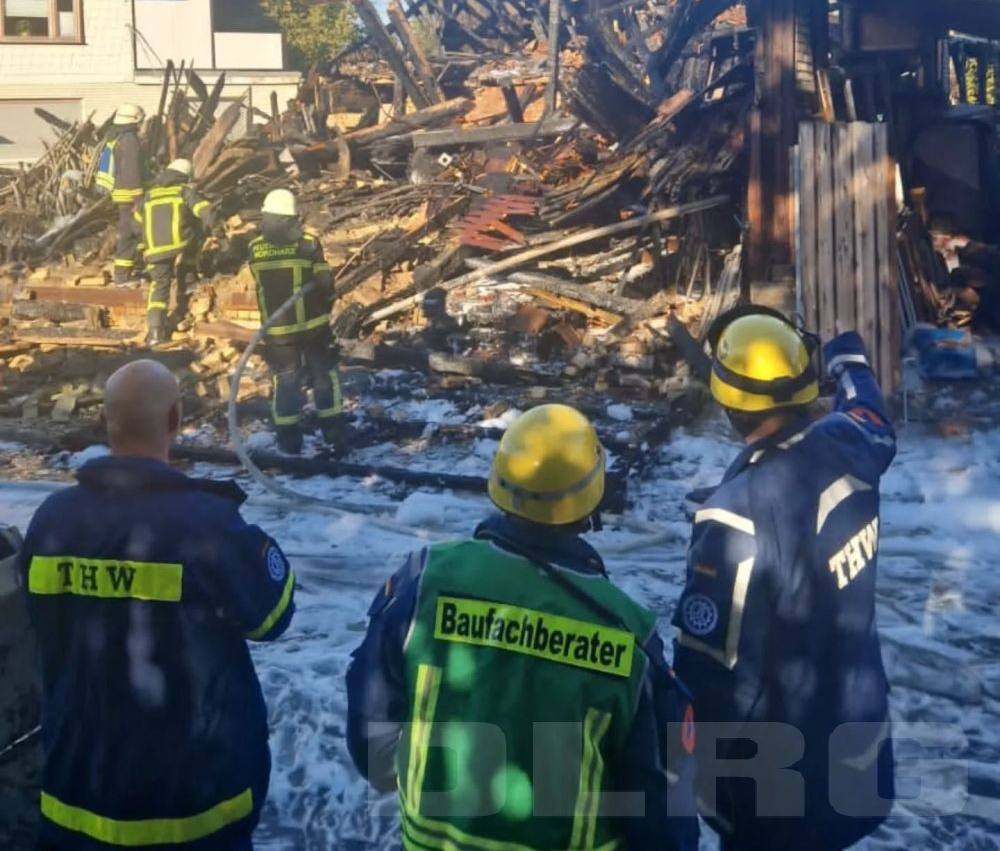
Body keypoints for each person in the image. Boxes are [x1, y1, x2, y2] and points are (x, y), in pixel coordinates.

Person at [346, 403, 700, 851]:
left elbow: (371, 738)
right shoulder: (628, 633)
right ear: (592, 495)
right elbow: (661, 809)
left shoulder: (424, 580)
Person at [22, 359, 295, 851]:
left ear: (103, 421)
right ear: (175, 418)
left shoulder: (50, 520)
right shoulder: (208, 525)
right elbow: (273, 619)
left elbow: (39, 621)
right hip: (194, 809)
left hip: (75, 798)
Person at [672, 309, 896, 851]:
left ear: (729, 405)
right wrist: (848, 357)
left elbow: (715, 674)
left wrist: (694, 777)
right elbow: (872, 415)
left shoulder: (735, 514)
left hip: (778, 782)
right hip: (858, 740)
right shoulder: (851, 442)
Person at [247, 188, 339, 454]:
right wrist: (327, 303)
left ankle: (289, 442)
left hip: (276, 332)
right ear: (291, 218)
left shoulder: (255, 247)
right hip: (313, 327)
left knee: (286, 381)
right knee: (324, 375)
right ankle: (333, 432)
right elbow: (325, 282)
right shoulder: (308, 244)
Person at [135, 158, 215, 345]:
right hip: (180, 244)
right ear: (185, 176)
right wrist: (216, 227)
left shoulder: (149, 195)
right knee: (197, 233)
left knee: (159, 286)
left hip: (154, 248)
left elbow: (138, 219)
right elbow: (203, 210)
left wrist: (143, 245)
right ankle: (188, 279)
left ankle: (155, 333)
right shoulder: (183, 191)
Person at [94, 104, 147, 286]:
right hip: (131, 197)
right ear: (135, 120)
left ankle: (133, 269)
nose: (142, 125)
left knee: (135, 234)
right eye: (141, 121)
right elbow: (132, 172)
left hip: (122, 196)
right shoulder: (130, 141)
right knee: (131, 235)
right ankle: (122, 276)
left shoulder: (117, 138)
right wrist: (139, 199)